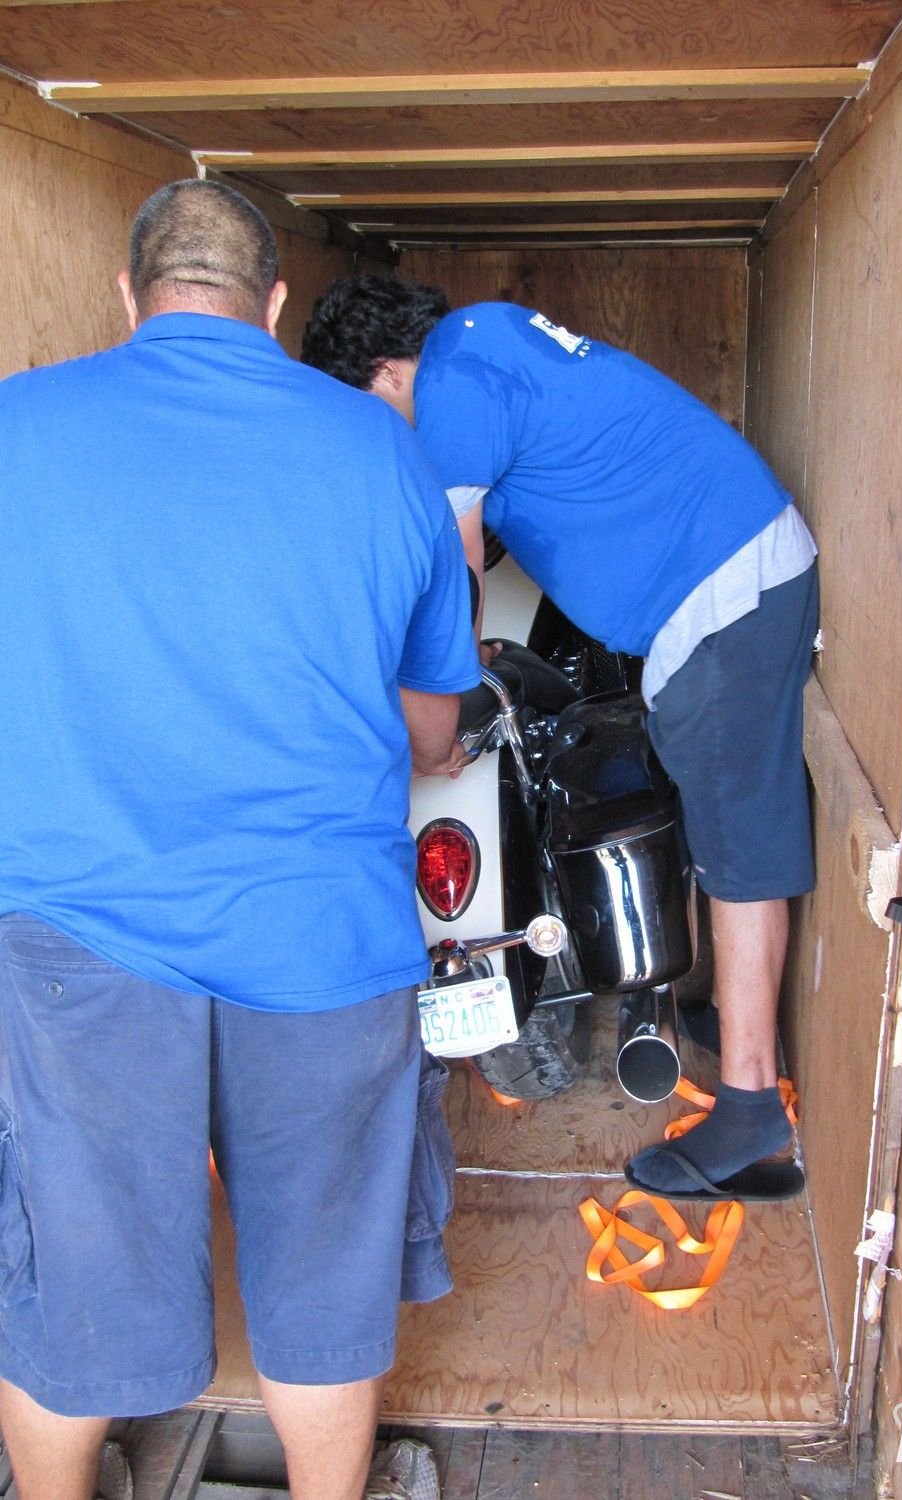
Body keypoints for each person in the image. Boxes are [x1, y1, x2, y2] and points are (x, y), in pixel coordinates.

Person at [0, 185, 479, 1500]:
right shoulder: (380, 452)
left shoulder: (13, 429)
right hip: (320, 933)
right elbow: (434, 730)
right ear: (273, 304)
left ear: (127, 292)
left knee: (68, 1270)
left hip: (75, 940)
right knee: (321, 1273)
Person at [301, 277, 819, 1204]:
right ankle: (717, 1008)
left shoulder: (449, 387)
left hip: (720, 593)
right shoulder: (485, 337)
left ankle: (749, 1110)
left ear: (383, 374)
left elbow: (449, 596)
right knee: (718, 818)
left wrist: (434, 730)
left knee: (740, 850)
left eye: (370, 410)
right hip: (727, 574)